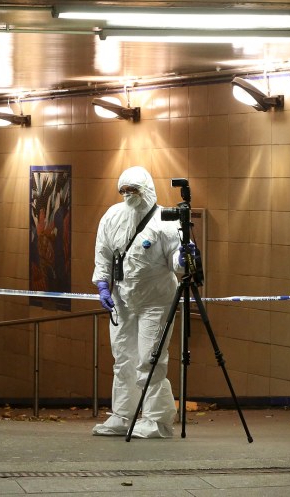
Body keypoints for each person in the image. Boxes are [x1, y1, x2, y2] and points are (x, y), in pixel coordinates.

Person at [91, 165, 194, 438]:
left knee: (150, 359)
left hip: (156, 302)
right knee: (123, 358)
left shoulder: (165, 222)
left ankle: (156, 419)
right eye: (123, 190)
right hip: (123, 299)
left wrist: (184, 258)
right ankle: (123, 414)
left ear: (145, 189)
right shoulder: (113, 216)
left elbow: (177, 262)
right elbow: (103, 252)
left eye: (133, 190)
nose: (128, 195)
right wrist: (103, 285)